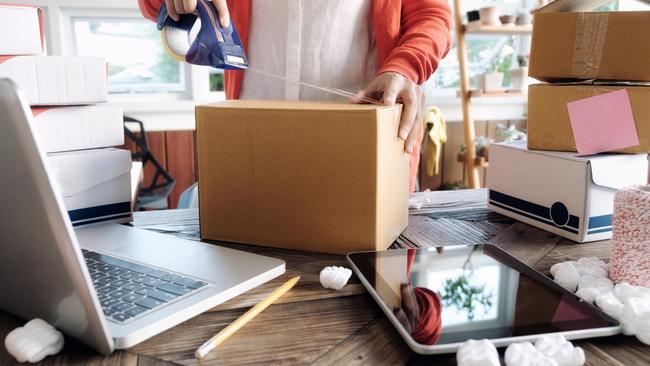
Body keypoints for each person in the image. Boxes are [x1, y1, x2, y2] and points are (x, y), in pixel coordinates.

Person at [138, 0, 452, 192]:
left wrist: (405, 66)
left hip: (367, 155)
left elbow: (433, 16)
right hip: (251, 155)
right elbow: (155, 5)